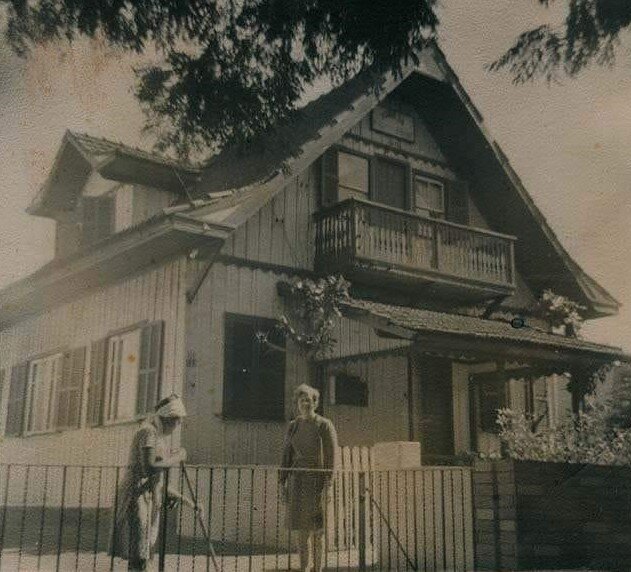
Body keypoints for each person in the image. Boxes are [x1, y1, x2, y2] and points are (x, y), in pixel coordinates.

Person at [109, 394, 201, 571]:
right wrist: (177, 457)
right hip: (135, 497)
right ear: (168, 419)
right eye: (178, 421)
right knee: (140, 555)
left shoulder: (157, 437)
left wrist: (189, 502)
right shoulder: (148, 432)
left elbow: (157, 482)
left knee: (143, 553)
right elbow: (149, 468)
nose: (178, 425)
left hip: (148, 497)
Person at [280, 384, 339, 572]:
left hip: (317, 482)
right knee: (301, 531)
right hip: (297, 481)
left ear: (315, 403)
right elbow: (286, 455)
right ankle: (304, 568)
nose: (305, 403)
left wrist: (328, 485)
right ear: (297, 403)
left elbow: (332, 458)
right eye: (302, 400)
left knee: (317, 531)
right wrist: (282, 481)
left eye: (309, 400)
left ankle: (318, 569)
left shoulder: (324, 425)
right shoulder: (293, 426)